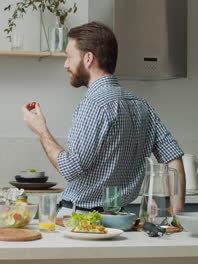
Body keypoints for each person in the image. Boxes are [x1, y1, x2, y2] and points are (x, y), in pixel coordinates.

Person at [22, 22, 186, 217]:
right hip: (120, 220)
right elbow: (172, 157)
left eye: (68, 56)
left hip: (82, 220)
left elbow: (70, 168)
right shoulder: (142, 105)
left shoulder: (95, 104)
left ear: (88, 58)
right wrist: (177, 213)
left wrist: (41, 131)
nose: (66, 64)